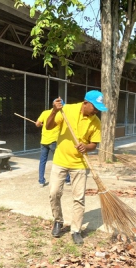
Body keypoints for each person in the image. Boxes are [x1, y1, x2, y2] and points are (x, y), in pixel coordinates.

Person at [45, 90, 108, 245]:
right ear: (86, 103)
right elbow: (48, 126)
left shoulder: (96, 122)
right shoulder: (67, 110)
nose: (97, 111)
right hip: (60, 160)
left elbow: (94, 144)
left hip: (79, 164)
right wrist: (54, 110)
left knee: (78, 198)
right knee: (54, 193)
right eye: (95, 107)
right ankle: (58, 221)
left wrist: (86, 147)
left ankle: (76, 230)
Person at [35, 108, 70, 187]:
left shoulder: (45, 112)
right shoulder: (60, 114)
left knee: (42, 161)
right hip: (54, 141)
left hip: (44, 141)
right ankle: (67, 179)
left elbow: (37, 124)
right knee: (62, 159)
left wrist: (41, 124)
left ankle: (41, 181)